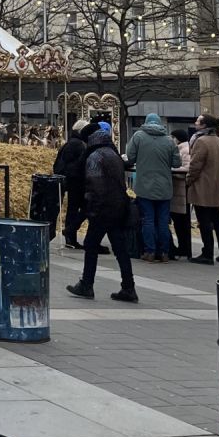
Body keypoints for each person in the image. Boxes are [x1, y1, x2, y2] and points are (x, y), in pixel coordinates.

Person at [66, 122, 138, 302]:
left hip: (102, 208)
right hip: (118, 205)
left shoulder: (95, 157)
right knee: (120, 248)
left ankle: (86, 284)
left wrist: (91, 210)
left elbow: (95, 185)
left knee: (90, 245)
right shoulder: (112, 153)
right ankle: (128, 287)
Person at [125, 113, 182, 263]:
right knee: (163, 221)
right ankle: (164, 252)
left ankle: (149, 251)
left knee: (148, 220)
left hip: (144, 185)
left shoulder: (138, 137)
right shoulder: (169, 140)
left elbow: (130, 157)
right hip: (164, 187)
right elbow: (177, 163)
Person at [187, 114, 219, 264]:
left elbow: (195, 165)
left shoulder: (201, 141)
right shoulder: (218, 141)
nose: (195, 123)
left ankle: (207, 253)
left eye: (198, 121)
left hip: (203, 186)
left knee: (204, 221)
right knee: (217, 221)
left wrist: (189, 180)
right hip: (216, 185)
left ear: (204, 125)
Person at [53, 121, 89, 249]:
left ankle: (70, 236)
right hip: (77, 180)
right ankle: (71, 232)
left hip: (71, 180)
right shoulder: (79, 145)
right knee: (86, 208)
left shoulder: (69, 143)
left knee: (73, 208)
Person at [168, 127, 194, 259]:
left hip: (180, 190)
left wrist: (172, 170)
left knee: (181, 222)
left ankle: (184, 248)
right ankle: (183, 248)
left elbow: (186, 169)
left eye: (172, 137)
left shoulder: (184, 150)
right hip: (178, 191)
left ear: (176, 138)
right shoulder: (182, 149)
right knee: (179, 221)